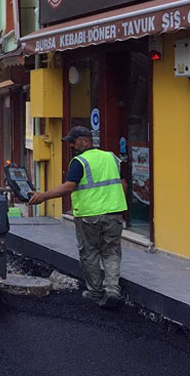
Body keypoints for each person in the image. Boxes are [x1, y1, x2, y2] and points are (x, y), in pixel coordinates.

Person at [29, 126, 128, 308]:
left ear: (85, 140)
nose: (72, 146)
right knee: (112, 251)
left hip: (89, 214)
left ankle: (96, 291)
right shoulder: (112, 158)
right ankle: (112, 290)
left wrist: (44, 196)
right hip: (114, 213)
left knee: (89, 252)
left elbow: (69, 186)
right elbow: (122, 184)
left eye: (73, 142)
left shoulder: (79, 162)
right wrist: (121, 208)